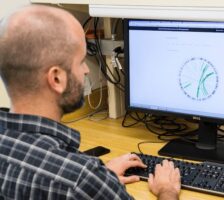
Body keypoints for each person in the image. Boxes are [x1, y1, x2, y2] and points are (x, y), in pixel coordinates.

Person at [0, 5, 181, 200]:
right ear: (57, 79)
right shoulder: (81, 181)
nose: (86, 70)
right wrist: (166, 190)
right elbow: (77, 181)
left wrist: (102, 177)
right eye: (80, 61)